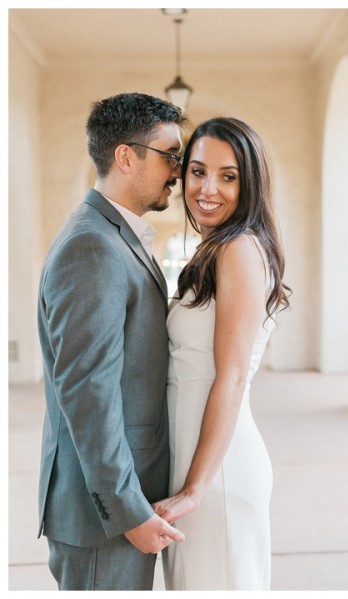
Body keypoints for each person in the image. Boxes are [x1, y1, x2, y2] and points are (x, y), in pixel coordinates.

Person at [37, 92, 187, 590]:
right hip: (104, 516)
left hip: (125, 500)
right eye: (171, 156)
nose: (179, 171)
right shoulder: (92, 246)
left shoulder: (113, 235)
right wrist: (127, 512)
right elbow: (87, 392)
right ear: (126, 157)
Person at [152, 117, 290, 590]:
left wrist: (195, 488)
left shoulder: (240, 250)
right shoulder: (215, 249)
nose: (208, 188)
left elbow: (230, 378)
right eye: (198, 171)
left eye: (228, 176)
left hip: (218, 472)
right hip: (194, 460)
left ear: (248, 183)